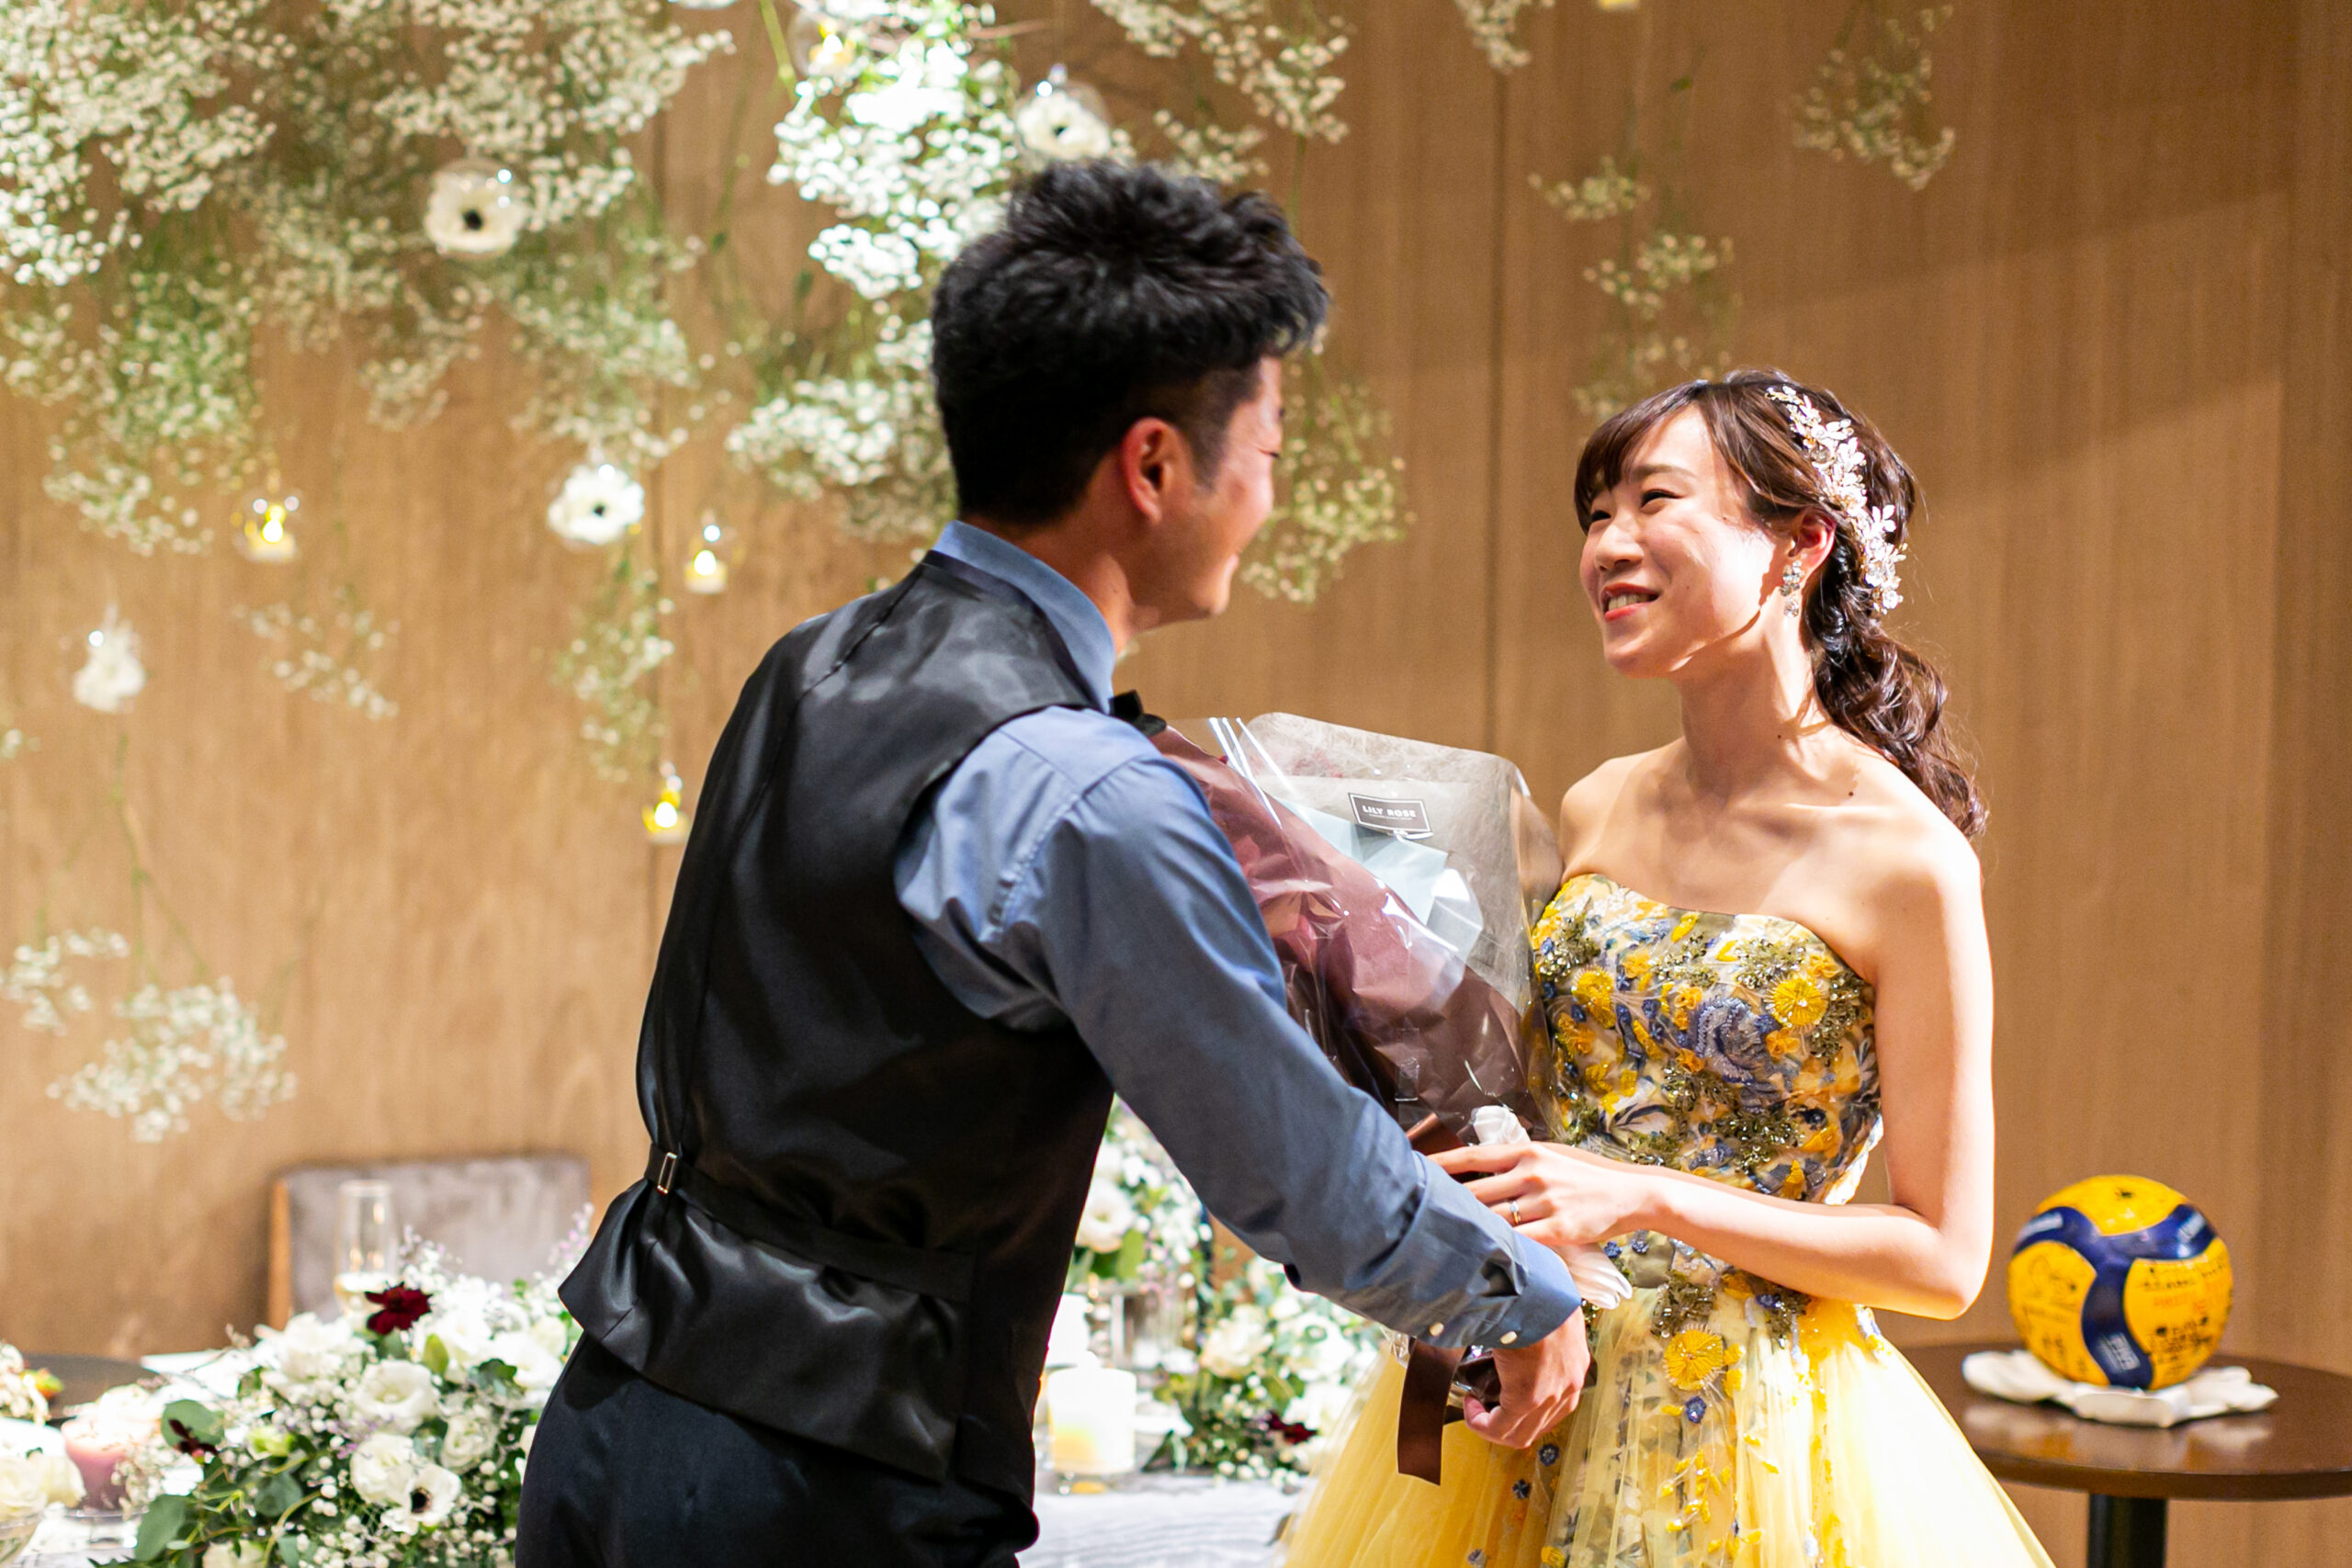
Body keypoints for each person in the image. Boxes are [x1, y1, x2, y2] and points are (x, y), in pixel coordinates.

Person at [515, 161, 1591, 1568]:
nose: (1267, 497)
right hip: (834, 1487)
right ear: (1153, 467)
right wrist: (1520, 1293)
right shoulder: (1089, 794)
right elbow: (1293, 1170)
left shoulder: (811, 662)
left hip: (616, 1422)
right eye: (1266, 452)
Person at [1276, 371, 2056, 1567]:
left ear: (1801, 543)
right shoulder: (1596, 804)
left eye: (1654, 501)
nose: (1609, 545)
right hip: (1537, 1379)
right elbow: (1511, 1094)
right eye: (1596, 515)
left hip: (1746, 1430)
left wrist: (1642, 1196)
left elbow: (1942, 1260)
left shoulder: (1908, 863)